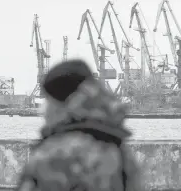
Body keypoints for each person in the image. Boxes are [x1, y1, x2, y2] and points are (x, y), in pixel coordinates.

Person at [16, 59, 142, 191]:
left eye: (47, 101)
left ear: (59, 105)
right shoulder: (118, 150)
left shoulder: (53, 155)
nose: (42, 110)